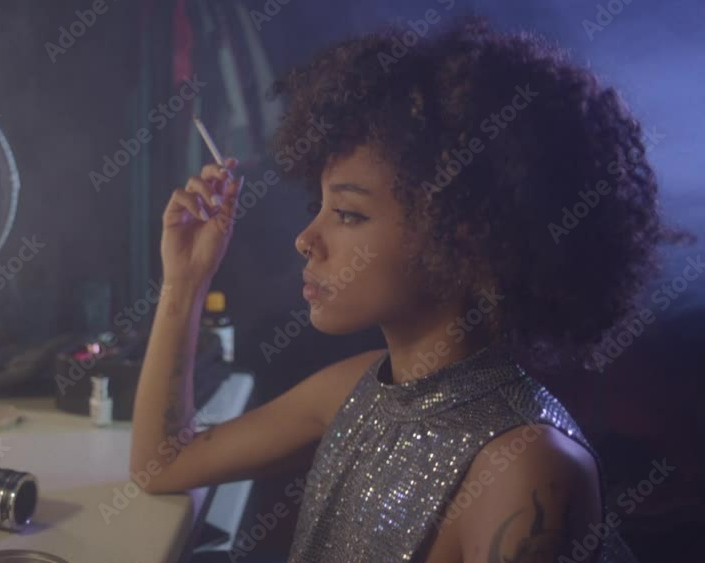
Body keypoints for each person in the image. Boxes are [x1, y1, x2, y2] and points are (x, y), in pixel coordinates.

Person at [129, 17, 689, 563]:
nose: (305, 239)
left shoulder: (527, 467)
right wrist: (185, 282)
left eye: (347, 214)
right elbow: (162, 463)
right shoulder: (353, 390)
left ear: (466, 237)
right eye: (316, 207)